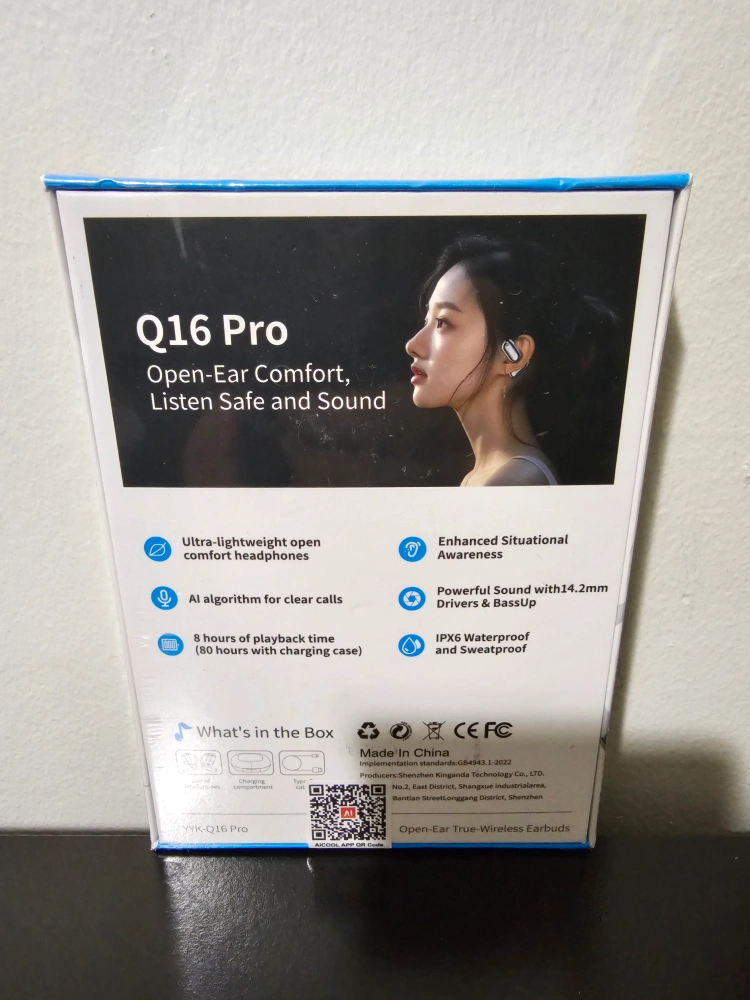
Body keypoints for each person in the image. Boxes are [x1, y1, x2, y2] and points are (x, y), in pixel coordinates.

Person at [405, 236, 621, 486]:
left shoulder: (512, 481)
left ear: (514, 355)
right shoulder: (490, 477)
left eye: (443, 322)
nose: (413, 345)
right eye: (427, 321)